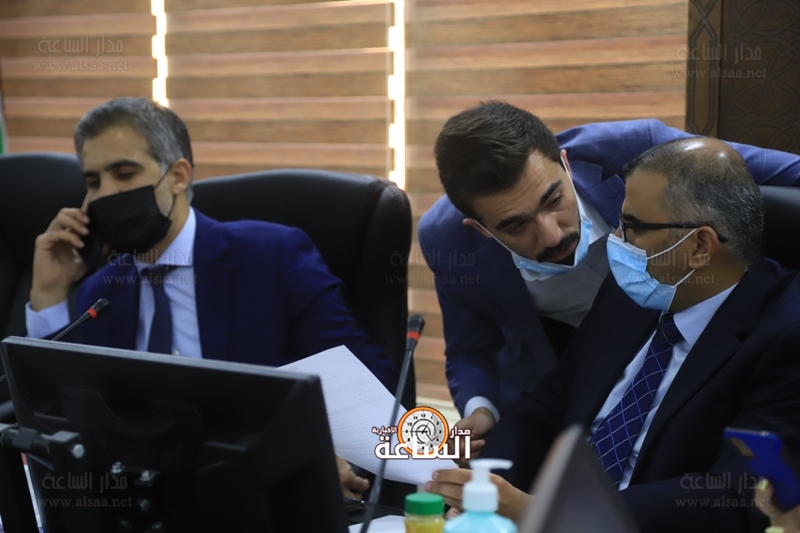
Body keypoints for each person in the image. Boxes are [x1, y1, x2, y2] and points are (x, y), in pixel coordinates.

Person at [26, 96, 399, 499]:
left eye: (124, 173)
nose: (105, 194)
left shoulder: (271, 257)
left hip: (263, 495)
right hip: (149, 502)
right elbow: (67, 416)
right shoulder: (102, 291)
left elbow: (371, 387)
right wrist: (50, 294)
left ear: (178, 175)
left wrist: (324, 456)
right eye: (93, 182)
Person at [426, 138, 800, 532]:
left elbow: (740, 495)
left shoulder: (787, 335)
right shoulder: (629, 294)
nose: (617, 239)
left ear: (699, 246)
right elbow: (545, 406)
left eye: (633, 226)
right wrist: (482, 490)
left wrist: (551, 513)